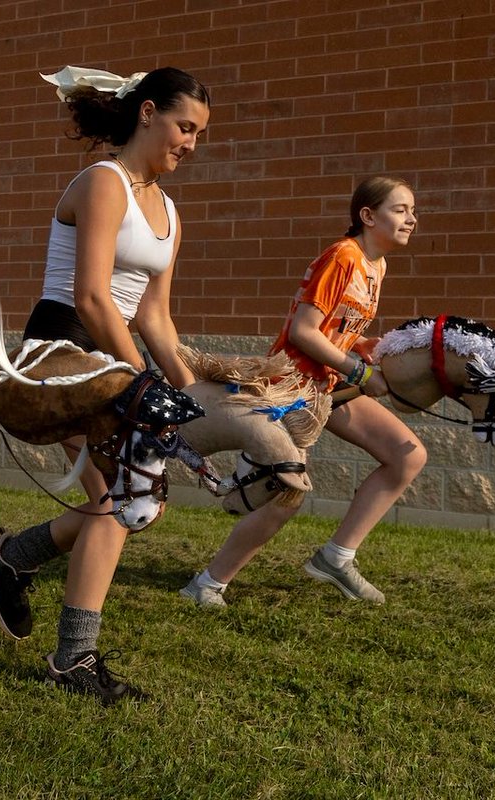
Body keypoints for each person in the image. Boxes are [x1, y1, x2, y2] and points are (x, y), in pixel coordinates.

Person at [0, 66, 210, 704]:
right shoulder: (103, 183)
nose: (190, 143)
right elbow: (92, 295)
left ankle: (11, 558)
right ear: (148, 112)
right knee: (118, 501)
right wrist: (139, 384)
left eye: (199, 134)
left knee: (135, 503)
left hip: (117, 354)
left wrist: (191, 390)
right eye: (184, 127)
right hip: (64, 350)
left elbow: (153, 313)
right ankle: (74, 658)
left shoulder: (168, 209)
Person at [178, 177, 423, 607]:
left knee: (407, 455)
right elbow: (303, 332)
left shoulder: (376, 265)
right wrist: (362, 376)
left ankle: (336, 558)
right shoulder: (343, 256)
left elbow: (337, 334)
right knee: (286, 494)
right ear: (368, 216)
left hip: (328, 387)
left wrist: (367, 349)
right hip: (293, 388)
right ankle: (206, 585)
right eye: (400, 210)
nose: (412, 219)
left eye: (412, 211)